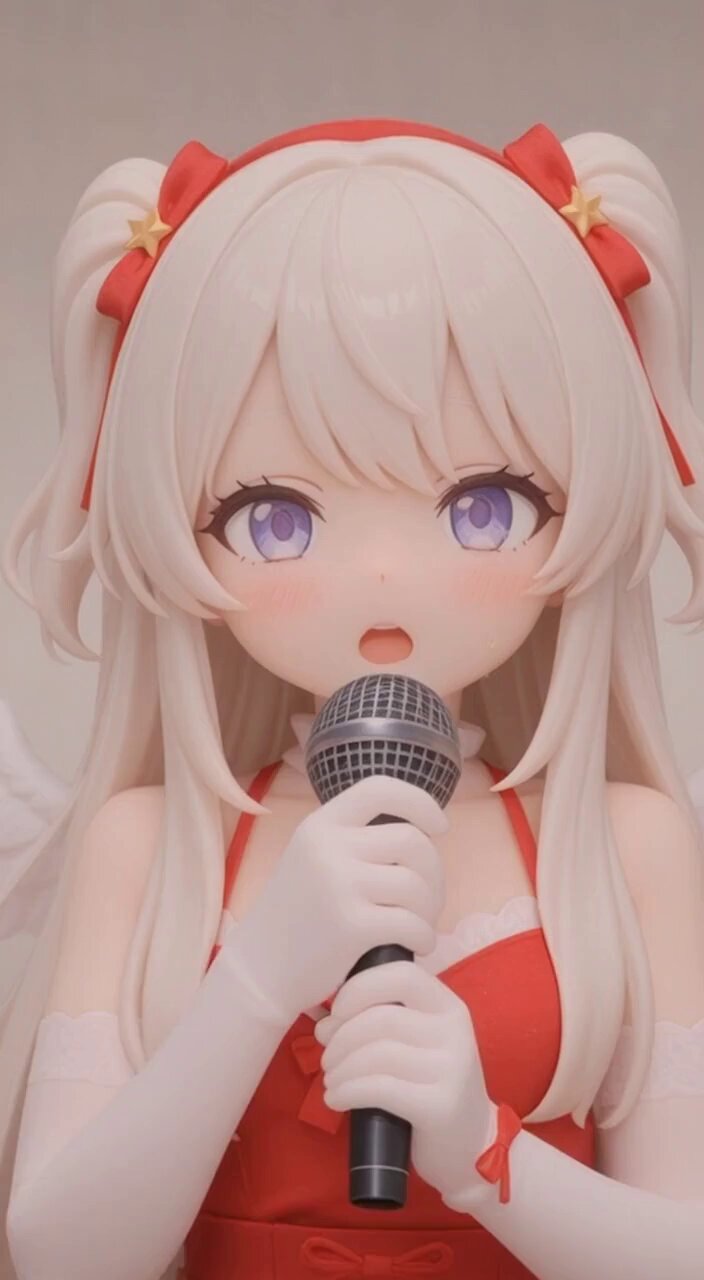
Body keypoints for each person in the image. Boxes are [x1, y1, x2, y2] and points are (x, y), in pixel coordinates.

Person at [1, 117, 704, 1280]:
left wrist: (483, 1155)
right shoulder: (154, 841)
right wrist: (258, 976)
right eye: (273, 517)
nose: (381, 581)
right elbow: (62, 1254)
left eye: (481, 506)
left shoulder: (621, 844)